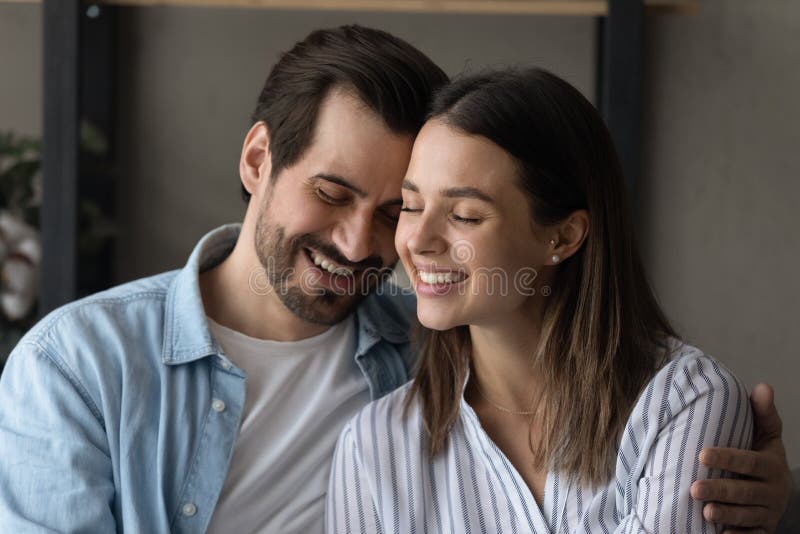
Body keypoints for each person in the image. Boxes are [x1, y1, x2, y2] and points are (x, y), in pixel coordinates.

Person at [0, 26, 790, 533]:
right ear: (256, 160)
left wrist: (761, 498)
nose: (362, 242)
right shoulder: (79, 367)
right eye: (332, 193)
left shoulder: (438, 339)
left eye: (391, 209)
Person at [326, 67, 793, 533]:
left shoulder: (684, 401)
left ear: (564, 235)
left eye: (465, 215)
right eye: (410, 206)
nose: (418, 240)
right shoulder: (373, 447)